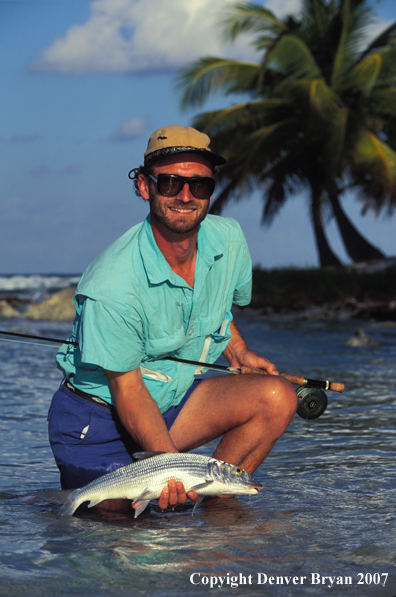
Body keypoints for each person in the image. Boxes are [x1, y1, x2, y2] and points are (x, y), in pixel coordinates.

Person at [48, 125, 297, 513]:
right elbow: (128, 392)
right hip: (96, 422)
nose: (185, 196)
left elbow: (217, 310)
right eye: (170, 183)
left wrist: (237, 350)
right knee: (123, 546)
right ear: (145, 187)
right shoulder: (111, 284)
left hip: (170, 406)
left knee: (278, 395)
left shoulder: (229, 240)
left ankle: (220, 510)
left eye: (199, 186)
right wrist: (171, 471)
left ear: (212, 191)